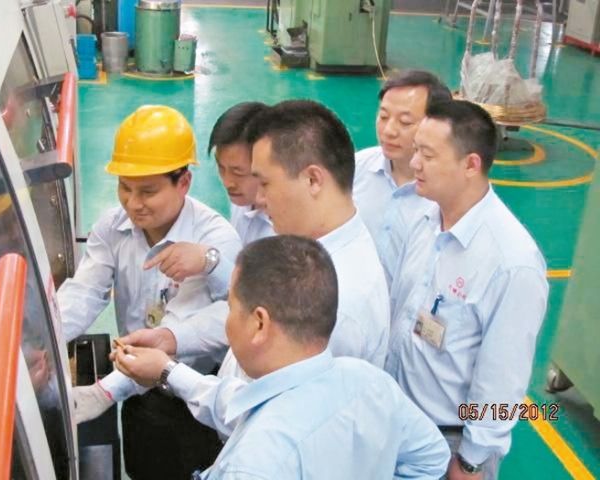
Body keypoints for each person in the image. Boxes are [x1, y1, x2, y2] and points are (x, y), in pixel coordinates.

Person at [117, 99, 391, 438]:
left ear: (313, 180)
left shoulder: (340, 302)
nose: (258, 200)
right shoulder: (310, 255)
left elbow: (265, 416)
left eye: (265, 183)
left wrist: (169, 373)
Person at [114, 235, 451, 480]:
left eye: (231, 308)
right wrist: (168, 371)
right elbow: (431, 459)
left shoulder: (255, 462)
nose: (228, 321)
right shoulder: (369, 383)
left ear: (259, 323)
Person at [59, 105, 242, 479]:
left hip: (197, 397)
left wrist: (104, 392)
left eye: (148, 191)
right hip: (140, 394)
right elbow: (86, 290)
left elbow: (215, 318)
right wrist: (42, 337)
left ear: (184, 183)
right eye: (125, 188)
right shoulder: (113, 227)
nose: (133, 203)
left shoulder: (213, 238)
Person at [386, 100, 548, 479]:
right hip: (397, 420)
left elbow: (503, 382)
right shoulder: (425, 217)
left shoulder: (512, 263)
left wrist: (472, 460)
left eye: (427, 155)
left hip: (450, 445)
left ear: (471, 165)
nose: (414, 164)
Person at [353, 70, 452, 286]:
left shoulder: (445, 197)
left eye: (405, 122)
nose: (388, 131)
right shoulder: (355, 169)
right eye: (384, 116)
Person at [209, 101, 274, 245]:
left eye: (238, 173)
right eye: (221, 168)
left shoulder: (286, 228)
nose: (227, 183)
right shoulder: (242, 199)